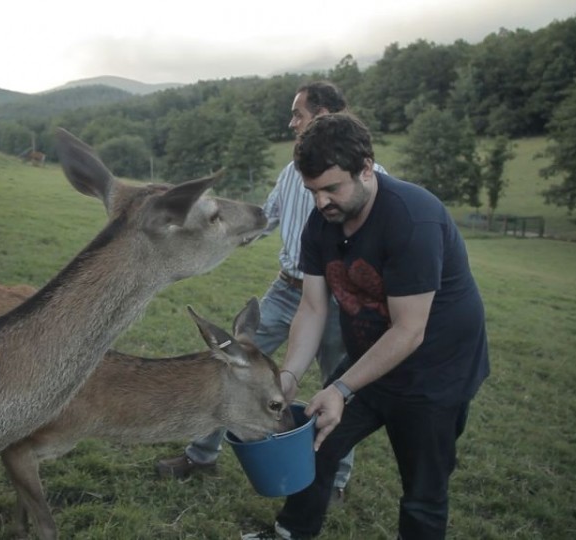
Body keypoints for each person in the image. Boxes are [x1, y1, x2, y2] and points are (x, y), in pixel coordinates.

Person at [242, 112, 490, 540]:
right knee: (316, 443)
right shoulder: (321, 224)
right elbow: (313, 308)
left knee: (423, 491)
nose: (321, 203)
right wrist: (289, 375)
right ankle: (291, 534)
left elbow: (409, 330)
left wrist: (340, 388)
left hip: (436, 374)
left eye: (332, 188)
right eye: (312, 191)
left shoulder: (413, 219)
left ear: (367, 168)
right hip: (372, 361)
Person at [156, 81, 386, 502]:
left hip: (339, 301)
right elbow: (267, 219)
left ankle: (333, 480)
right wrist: (212, 234)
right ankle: (202, 454)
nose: (291, 122)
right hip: (286, 290)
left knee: (338, 384)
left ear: (325, 114)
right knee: (233, 368)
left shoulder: (368, 178)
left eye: (298, 113)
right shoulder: (290, 171)